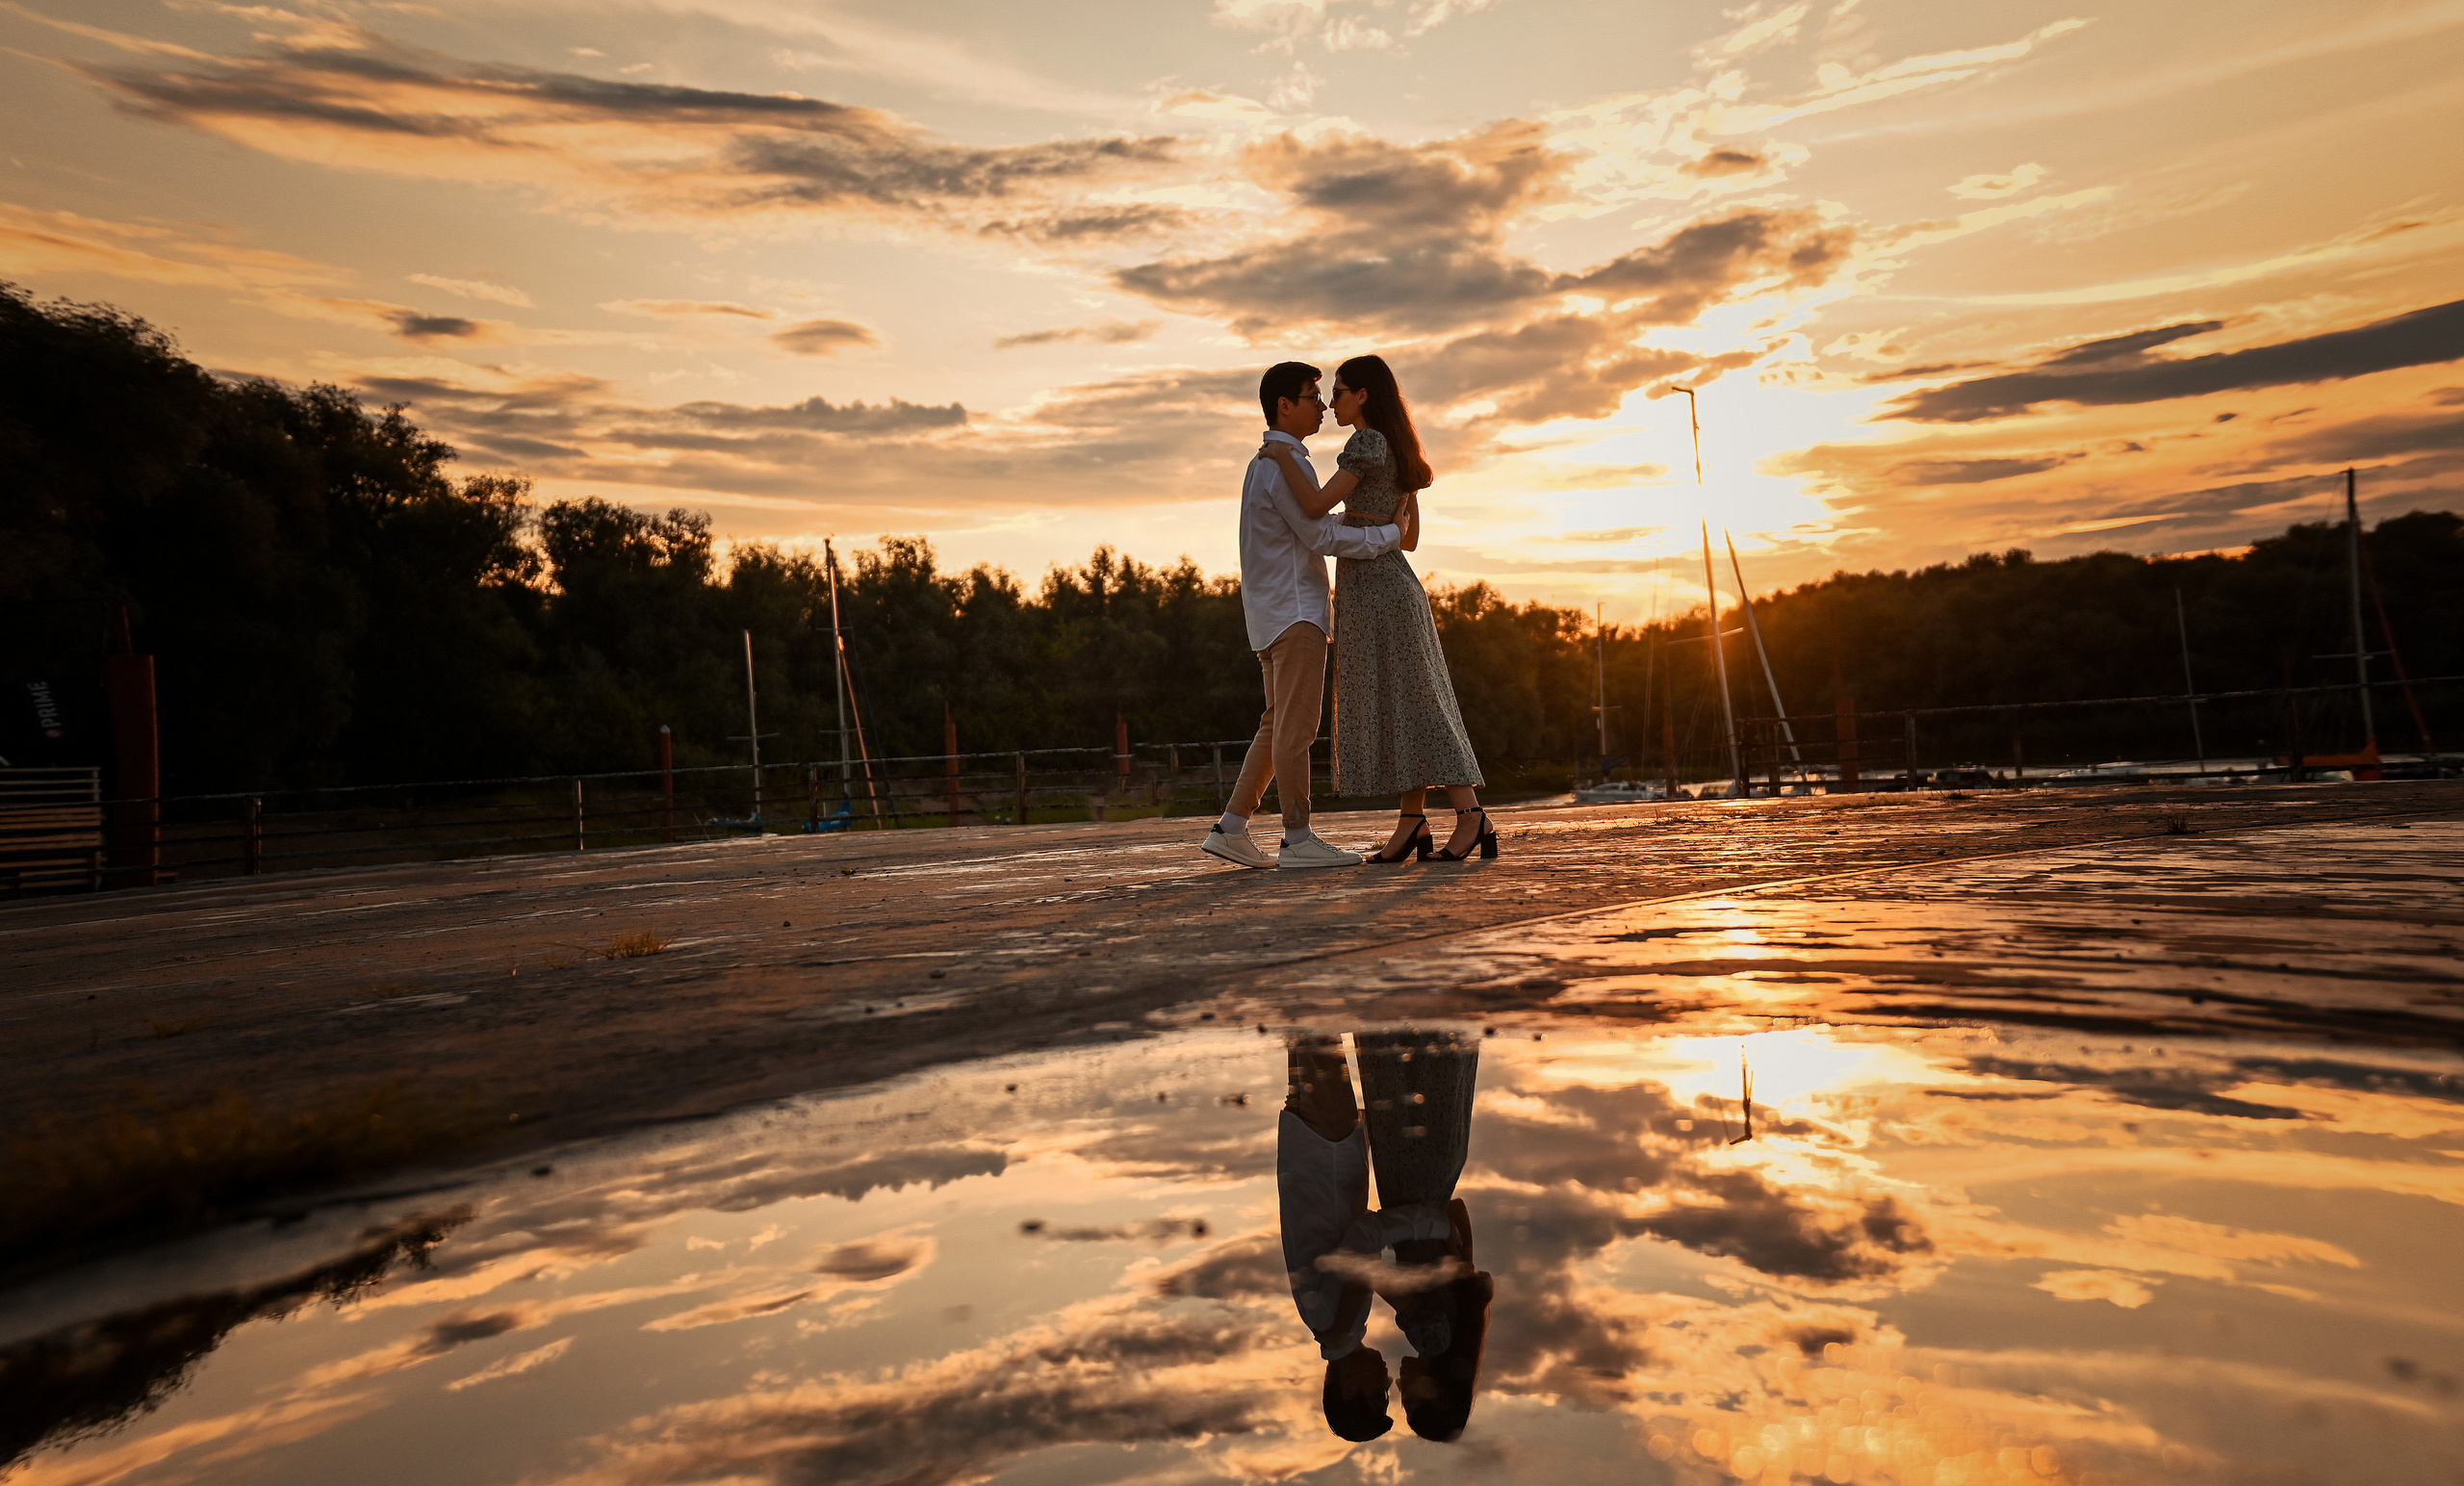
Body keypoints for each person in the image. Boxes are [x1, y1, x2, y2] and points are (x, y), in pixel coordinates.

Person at [1255, 355, 1496, 863]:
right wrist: (1372, 521)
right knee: (1405, 700)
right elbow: (1408, 538)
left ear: (1363, 396)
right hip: (1391, 583)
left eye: (1338, 392)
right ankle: (1412, 821)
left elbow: (1316, 506)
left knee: (1416, 703)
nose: (1331, 402)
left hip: (1376, 590)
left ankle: (1471, 814)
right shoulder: (1398, 445)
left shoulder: (1364, 443)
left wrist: (1279, 457)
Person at [1202, 362, 1404, 871]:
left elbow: (1310, 524)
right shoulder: (1282, 463)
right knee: (1297, 728)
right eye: (1313, 396)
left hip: (1271, 613)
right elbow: (1318, 535)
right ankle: (1297, 836)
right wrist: (1388, 536)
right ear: (1283, 406)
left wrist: (1359, 521)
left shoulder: (1264, 464)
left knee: (1276, 725)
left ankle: (1232, 826)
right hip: (1296, 614)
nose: (1321, 405)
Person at [1277, 1030, 1492, 1444]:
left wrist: (1433, 1227)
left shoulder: (1339, 1323)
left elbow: (1362, 1240)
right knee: (1304, 1023)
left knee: (1310, 1020)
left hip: (1328, 1151)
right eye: (1396, 1398)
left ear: (1350, 1389)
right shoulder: (1331, 1323)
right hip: (1319, 1149)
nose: (1389, 1385)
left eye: (1379, 1396)